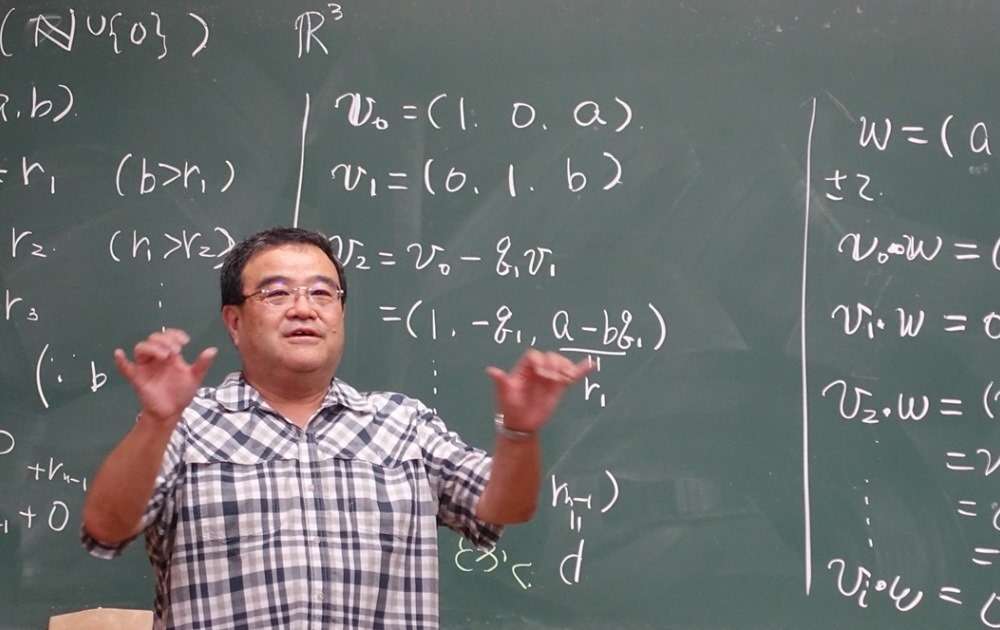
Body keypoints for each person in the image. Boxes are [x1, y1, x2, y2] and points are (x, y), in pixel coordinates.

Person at [81, 226, 591, 630]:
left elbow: (503, 509)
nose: (304, 308)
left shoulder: (402, 424)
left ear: (341, 312)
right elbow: (106, 529)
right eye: (276, 293)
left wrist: (519, 433)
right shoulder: (187, 425)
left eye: (323, 293)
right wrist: (158, 420)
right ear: (234, 322)